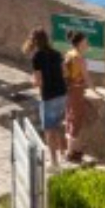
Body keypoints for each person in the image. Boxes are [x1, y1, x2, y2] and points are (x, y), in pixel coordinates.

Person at [26, 29, 69, 159]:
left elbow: (38, 81)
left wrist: (32, 80)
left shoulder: (36, 57)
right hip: (62, 93)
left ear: (34, 41)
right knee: (59, 124)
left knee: (49, 129)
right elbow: (65, 73)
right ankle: (63, 152)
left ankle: (54, 161)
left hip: (49, 95)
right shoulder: (57, 54)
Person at [60, 33, 93, 153]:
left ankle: (72, 148)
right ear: (79, 43)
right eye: (85, 41)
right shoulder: (79, 57)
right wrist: (95, 90)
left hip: (69, 88)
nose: (87, 43)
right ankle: (71, 151)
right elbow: (86, 77)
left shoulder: (69, 54)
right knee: (77, 118)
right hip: (77, 89)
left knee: (69, 116)